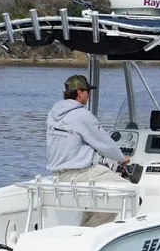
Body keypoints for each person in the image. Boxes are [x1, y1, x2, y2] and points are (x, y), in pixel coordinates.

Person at [46, 74, 131, 227]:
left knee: (95, 193)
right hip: (78, 175)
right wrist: (122, 159)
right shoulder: (82, 115)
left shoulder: (52, 114)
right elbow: (105, 144)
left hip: (57, 176)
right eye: (87, 91)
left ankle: (83, 231)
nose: (89, 95)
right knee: (125, 189)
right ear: (79, 92)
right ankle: (88, 231)